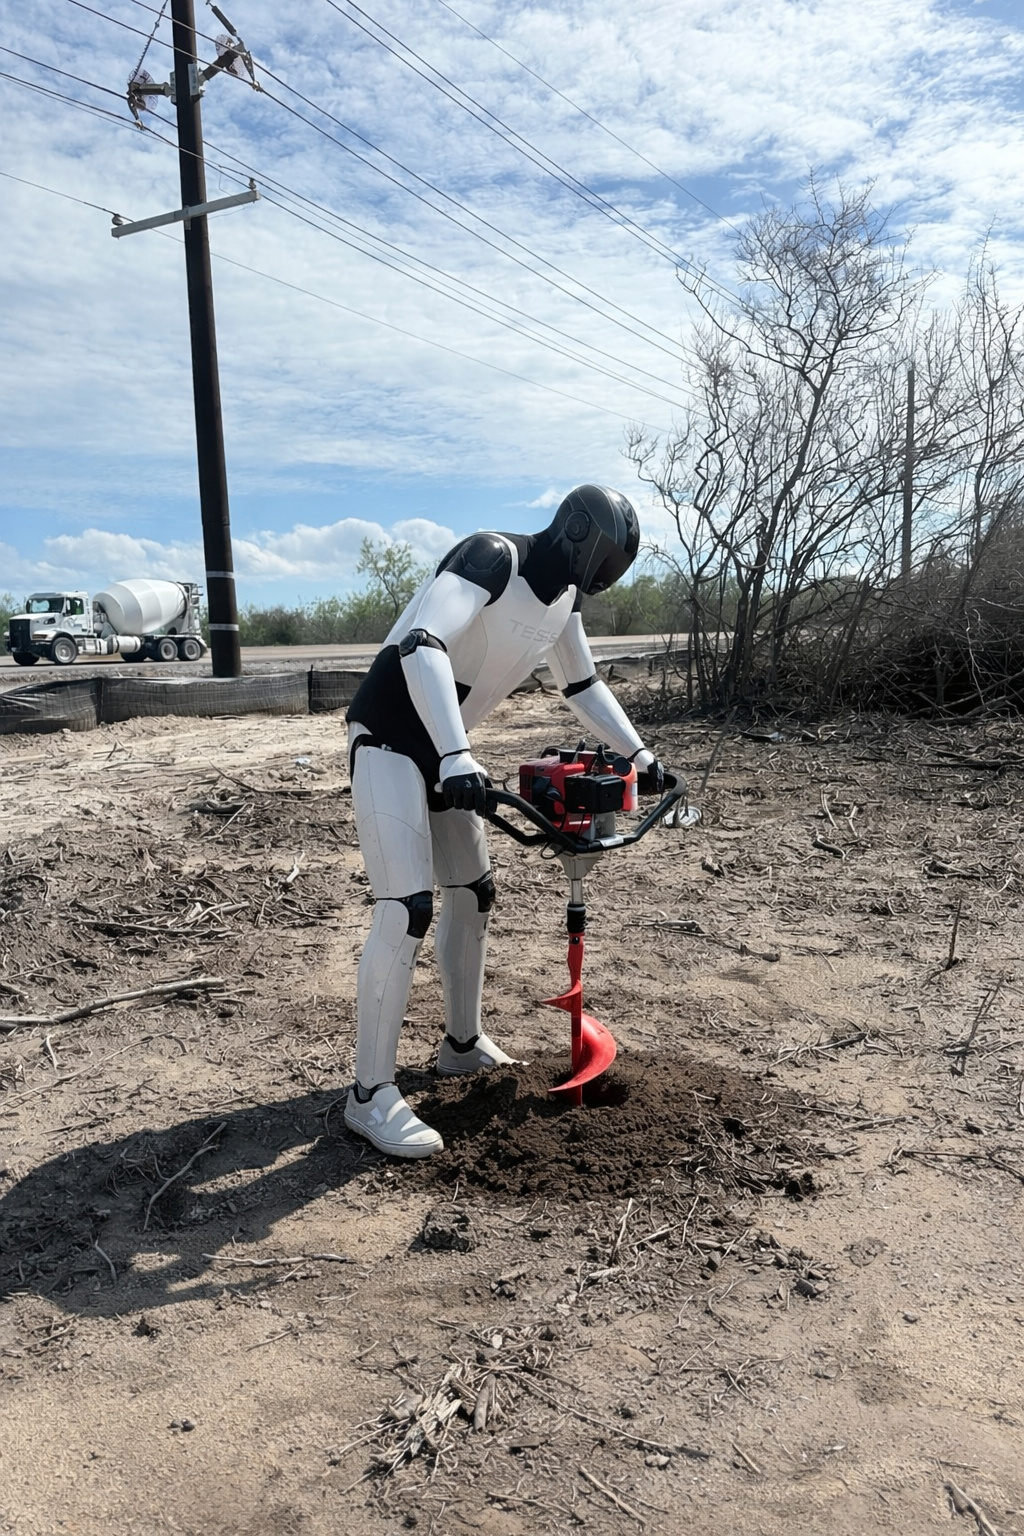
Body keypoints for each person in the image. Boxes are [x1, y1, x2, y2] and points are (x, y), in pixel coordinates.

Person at [344, 484, 664, 1157]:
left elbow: (581, 684)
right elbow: (422, 643)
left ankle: (461, 1044)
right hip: (389, 738)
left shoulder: (564, 599)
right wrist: (457, 753)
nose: (599, 581)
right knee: (405, 908)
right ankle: (369, 1095)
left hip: (445, 751)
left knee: (476, 892)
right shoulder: (491, 558)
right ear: (577, 532)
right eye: (601, 563)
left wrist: (640, 754)